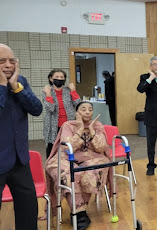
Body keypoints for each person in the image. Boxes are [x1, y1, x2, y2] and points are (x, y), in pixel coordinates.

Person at [45, 101, 112, 230]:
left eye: (90, 109)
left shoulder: (97, 125)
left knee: (91, 172)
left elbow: (101, 148)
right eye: (83, 109)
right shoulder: (68, 125)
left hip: (93, 157)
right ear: (77, 113)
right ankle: (79, 212)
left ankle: (78, 212)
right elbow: (68, 148)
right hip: (66, 157)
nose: (87, 112)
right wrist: (80, 129)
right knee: (67, 173)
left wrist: (91, 131)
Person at [0, 43, 42, 230]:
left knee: (28, 208)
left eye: (11, 60)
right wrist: (2, 86)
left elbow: (36, 109)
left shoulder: (21, 82)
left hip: (19, 159)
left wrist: (16, 88)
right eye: (1, 61)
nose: (8, 65)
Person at [43, 69, 81, 158]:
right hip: (53, 125)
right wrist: (48, 94)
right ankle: (51, 168)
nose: (59, 79)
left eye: (61, 77)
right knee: (52, 148)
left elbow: (78, 104)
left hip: (69, 124)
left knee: (69, 146)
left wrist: (73, 91)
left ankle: (69, 168)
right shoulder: (47, 91)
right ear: (51, 79)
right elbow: (51, 108)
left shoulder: (68, 90)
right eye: (56, 77)